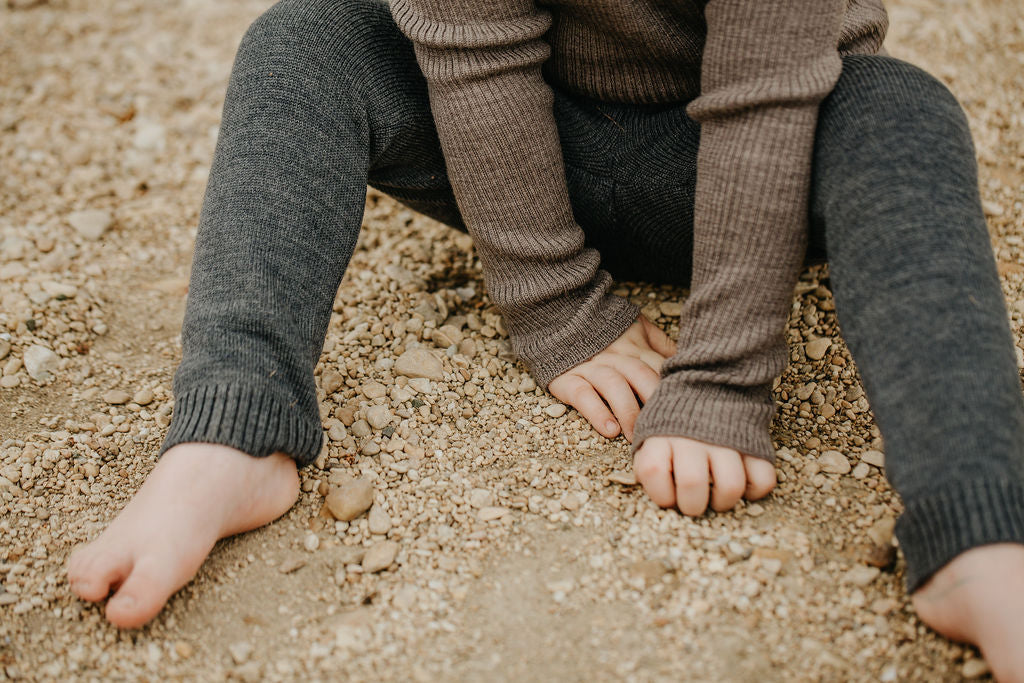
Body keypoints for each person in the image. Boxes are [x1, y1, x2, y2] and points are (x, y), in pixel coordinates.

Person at [67, 0, 1024, 677]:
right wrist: (555, 300)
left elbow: (767, 96)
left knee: (905, 110)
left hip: (774, 153)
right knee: (300, 40)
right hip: (517, 140)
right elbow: (471, 53)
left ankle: (978, 532)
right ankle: (233, 429)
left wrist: (725, 371)